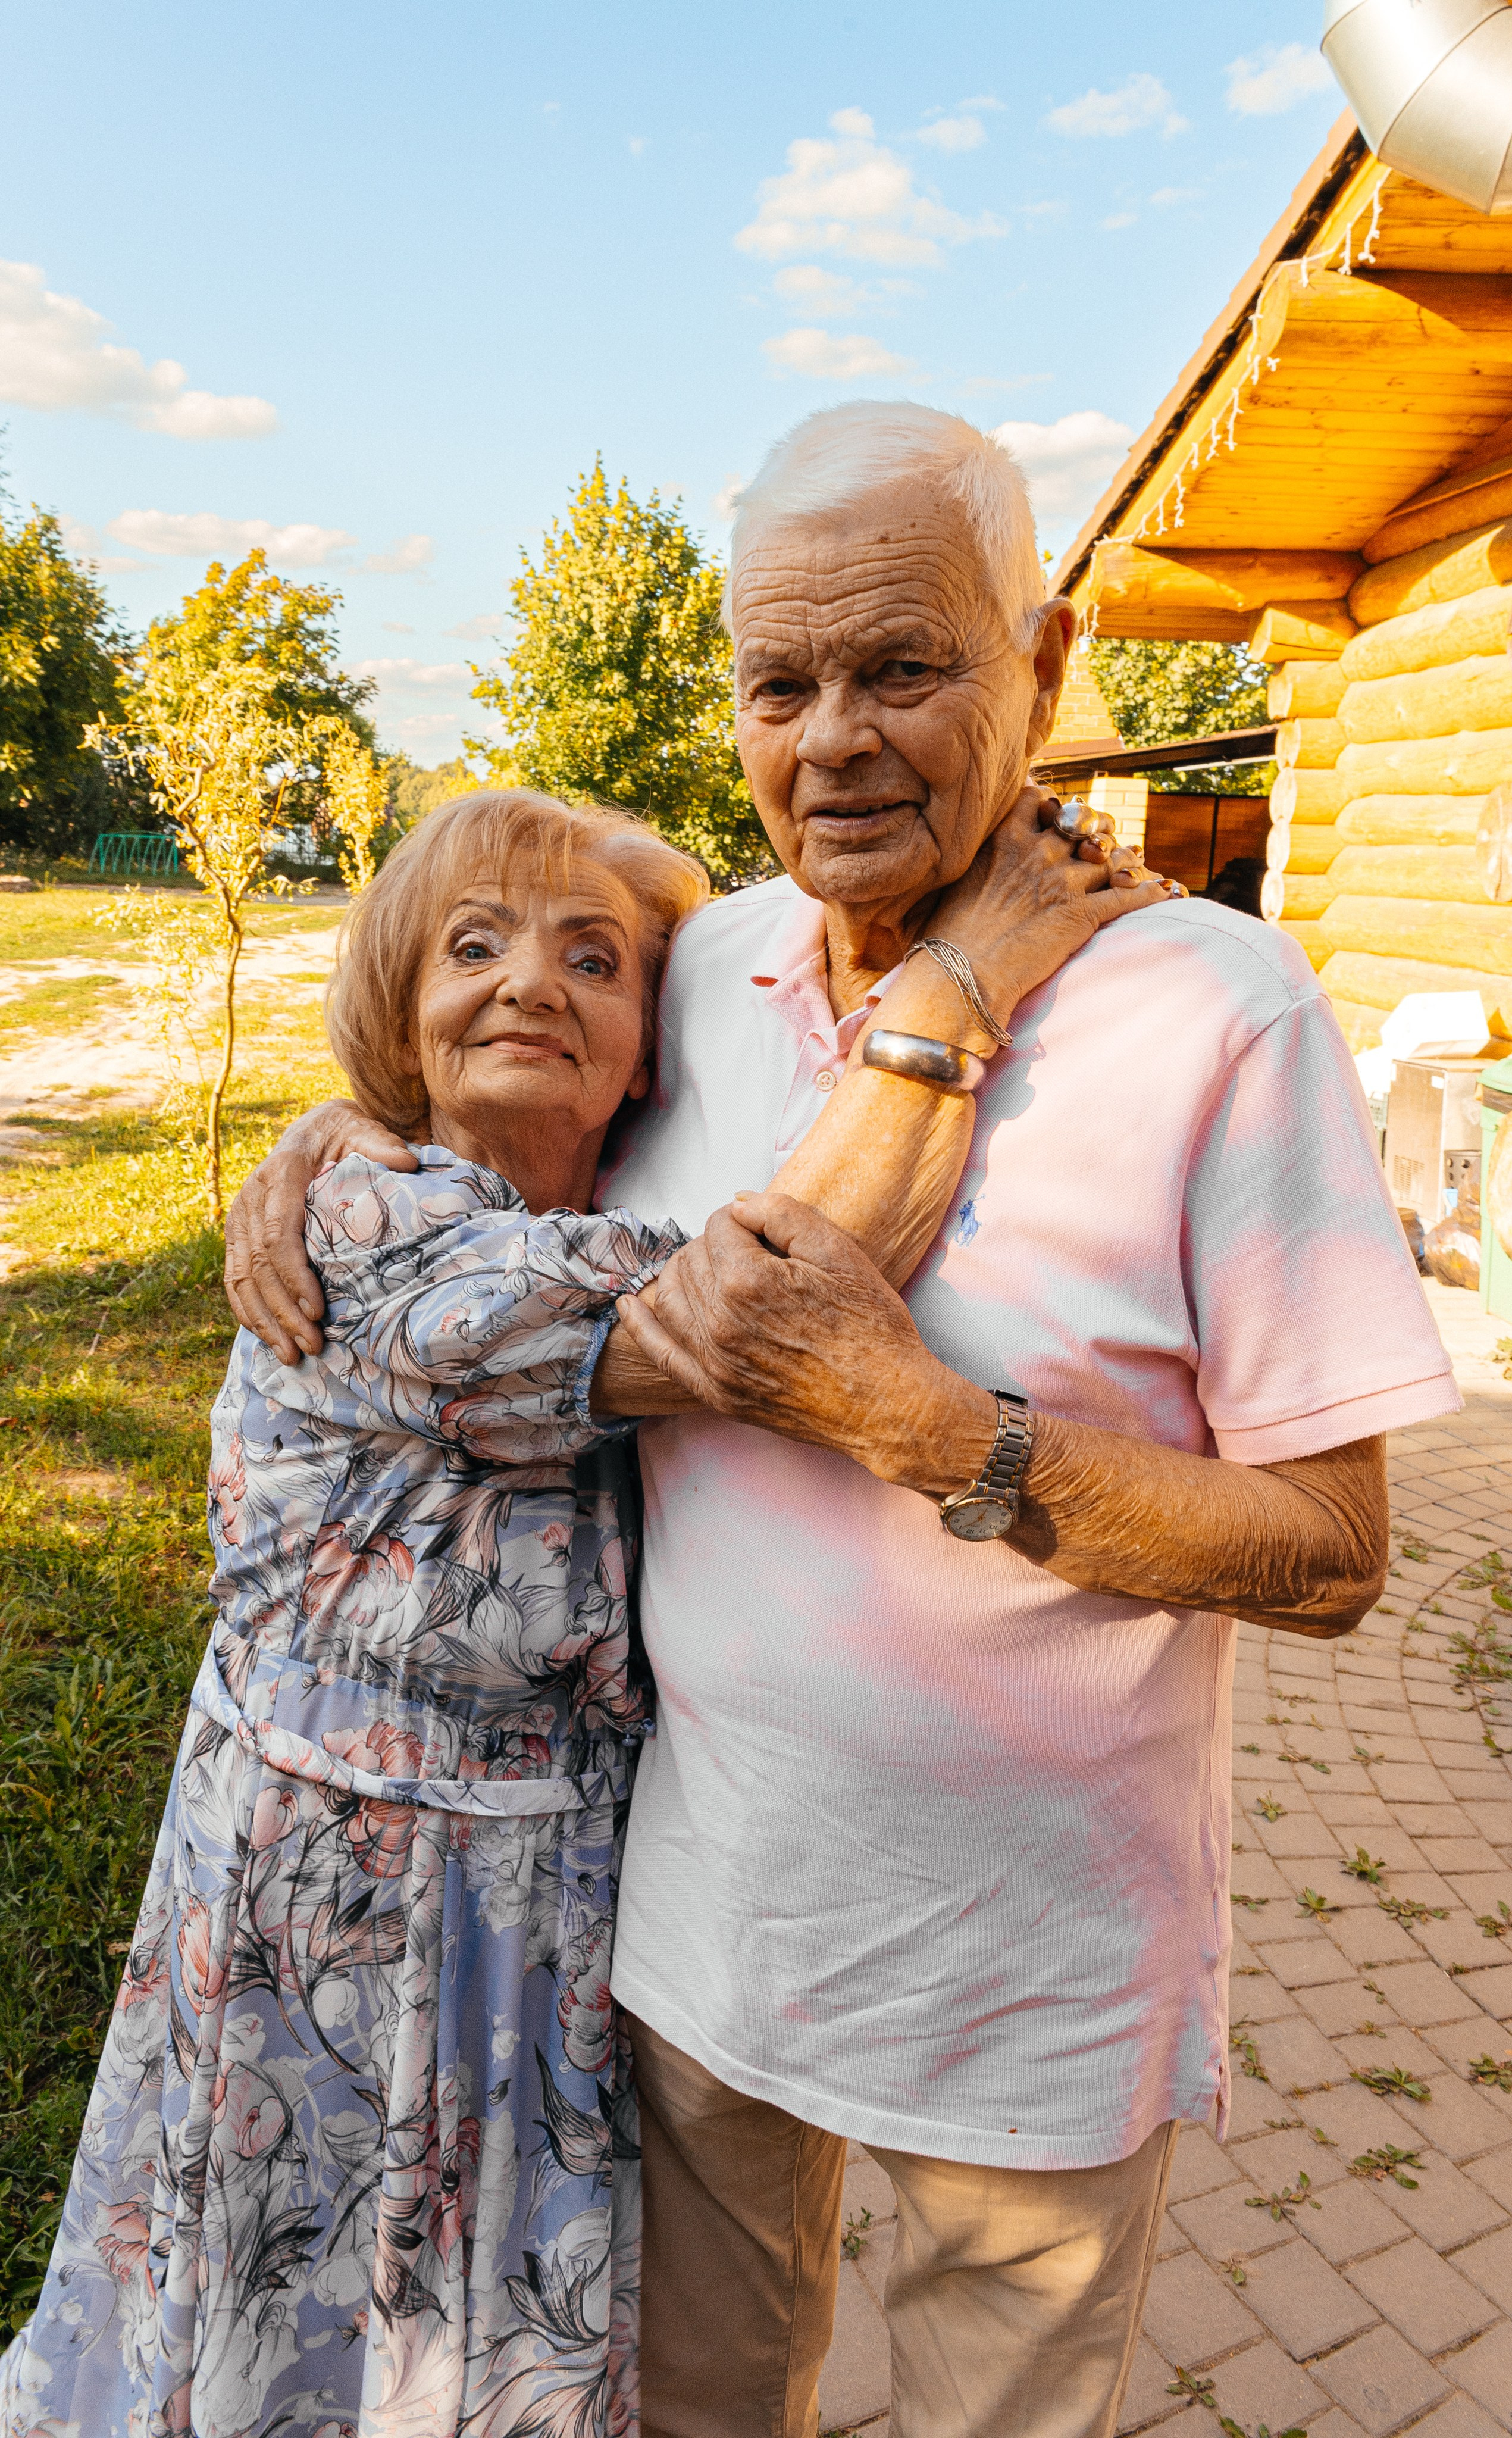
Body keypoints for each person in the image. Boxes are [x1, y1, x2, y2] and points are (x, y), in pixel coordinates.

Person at [223, 402, 1457, 2438]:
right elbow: (505, 1084)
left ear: (1045, 665)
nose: (833, 743)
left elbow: (1330, 1553)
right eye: (782, 683)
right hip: (696, 1939)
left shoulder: (1225, 1015)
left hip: (1034, 1996)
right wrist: (336, 1131)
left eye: (905, 669)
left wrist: (940, 1432)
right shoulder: (700, 969)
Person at [1, 775, 1167, 2438]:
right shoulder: (371, 1225)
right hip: (349, 1925)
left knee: (480, 2346)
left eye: (594, 962)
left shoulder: (578, 1233)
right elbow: (778, 1310)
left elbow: (765, 1271)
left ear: (649, 1065)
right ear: (402, 1008)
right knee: (311, 2328)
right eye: (470, 946)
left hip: (537, 1916)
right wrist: (962, 978)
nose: (530, 981)